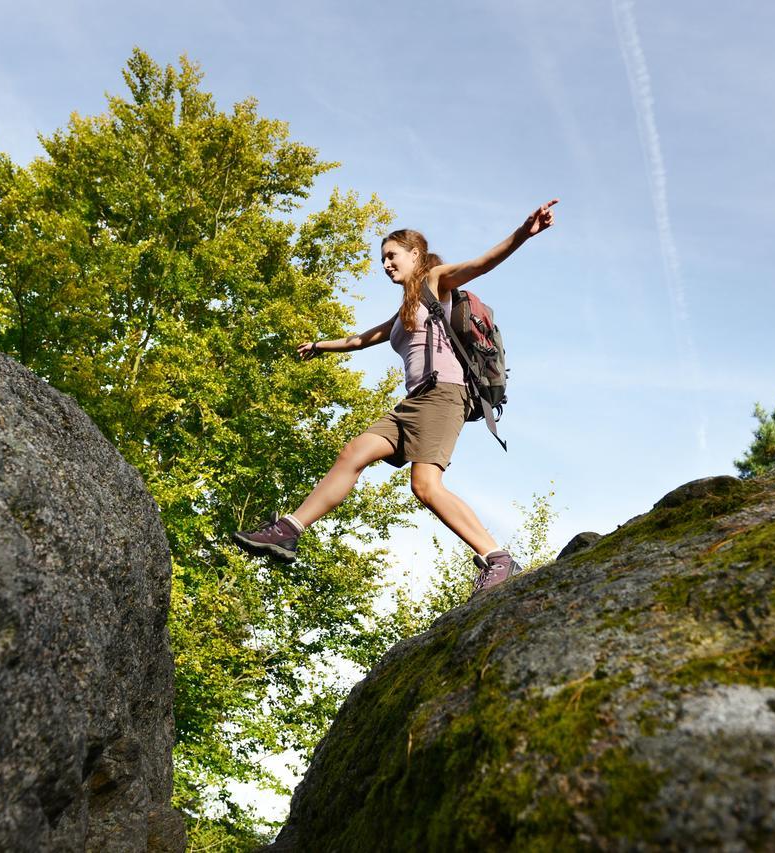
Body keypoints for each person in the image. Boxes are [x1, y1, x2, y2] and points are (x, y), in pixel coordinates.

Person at [234, 199, 558, 596]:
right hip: (413, 402)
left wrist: (523, 232)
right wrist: (321, 345)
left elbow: (482, 263)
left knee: (425, 486)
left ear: (415, 254)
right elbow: (364, 338)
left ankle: (498, 558)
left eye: (392, 256)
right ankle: (288, 530)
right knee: (354, 452)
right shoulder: (406, 306)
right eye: (382, 259)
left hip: (444, 394)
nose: (386, 264)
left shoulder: (436, 280)